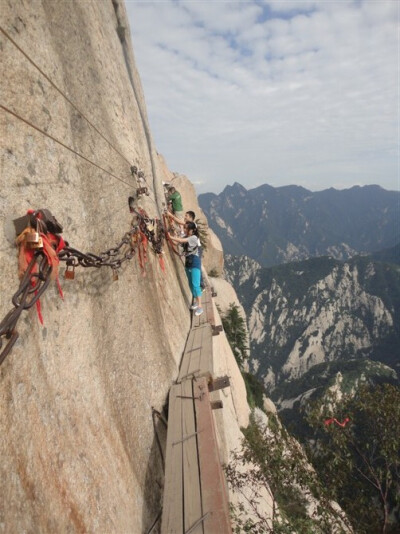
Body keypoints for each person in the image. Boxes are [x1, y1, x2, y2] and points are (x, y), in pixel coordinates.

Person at [168, 221, 203, 316]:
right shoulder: (188, 237)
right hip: (188, 262)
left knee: (195, 284)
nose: (186, 230)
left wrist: (170, 236)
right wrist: (172, 235)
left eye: (187, 228)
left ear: (192, 230)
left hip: (195, 262)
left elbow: (181, 241)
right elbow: (177, 242)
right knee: (191, 284)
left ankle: (200, 306)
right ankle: (196, 301)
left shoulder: (194, 238)